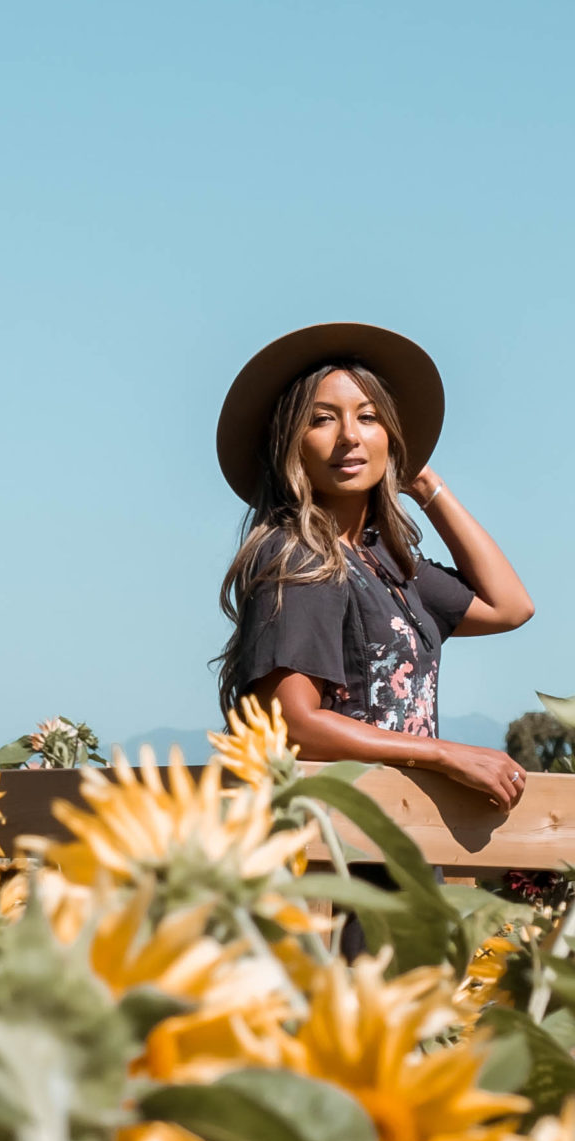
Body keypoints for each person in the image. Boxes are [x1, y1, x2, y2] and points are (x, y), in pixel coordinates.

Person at [214, 321, 534, 810]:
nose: (348, 437)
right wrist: (446, 755)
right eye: (322, 419)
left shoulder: (387, 562)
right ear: (289, 444)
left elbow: (509, 607)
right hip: (336, 849)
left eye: (367, 418)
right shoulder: (300, 557)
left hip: (401, 834)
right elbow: (291, 724)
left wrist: (426, 484)